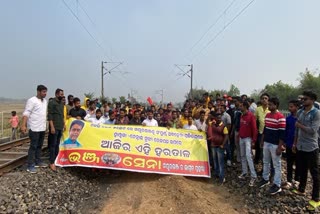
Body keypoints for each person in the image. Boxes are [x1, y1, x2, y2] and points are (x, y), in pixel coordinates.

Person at [293, 91, 320, 211]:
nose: (303, 101)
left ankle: (316, 199)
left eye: (306, 99)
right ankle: (301, 189)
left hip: (311, 147)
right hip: (301, 146)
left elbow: (313, 130)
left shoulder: (316, 113)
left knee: (315, 173)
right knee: (302, 169)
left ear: (312, 100)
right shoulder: (300, 112)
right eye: (303, 99)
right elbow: (296, 131)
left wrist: (300, 126)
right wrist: (295, 143)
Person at [258, 97, 286, 195]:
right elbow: (265, 129)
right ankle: (265, 179)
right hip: (266, 142)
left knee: (276, 164)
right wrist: (262, 140)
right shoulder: (267, 115)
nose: (269, 106)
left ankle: (277, 185)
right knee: (265, 161)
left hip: (275, 144)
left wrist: (279, 147)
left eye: (271, 104)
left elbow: (282, 134)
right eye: (269, 104)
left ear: (276, 105)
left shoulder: (280, 117)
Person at [21, 85, 48, 173]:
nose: (45, 94)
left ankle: (38, 161)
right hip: (34, 127)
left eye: (45, 92)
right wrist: (23, 125)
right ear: (38, 91)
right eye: (43, 92)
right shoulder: (32, 100)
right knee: (33, 147)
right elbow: (26, 113)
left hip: (42, 127)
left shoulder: (45, 101)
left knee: (39, 146)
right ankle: (30, 165)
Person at [238, 100, 258, 187]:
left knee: (248, 156)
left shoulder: (251, 116)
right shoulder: (242, 115)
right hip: (241, 138)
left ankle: (253, 176)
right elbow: (241, 126)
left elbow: (254, 129)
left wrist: (254, 141)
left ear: (245, 107)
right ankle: (245, 172)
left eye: (241, 106)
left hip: (248, 139)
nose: (240, 107)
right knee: (242, 156)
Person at [207, 112, 228, 184]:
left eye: (220, 117)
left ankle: (222, 178)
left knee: (220, 162)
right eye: (217, 117)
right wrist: (210, 118)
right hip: (213, 145)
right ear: (215, 118)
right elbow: (208, 123)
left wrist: (222, 144)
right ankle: (217, 175)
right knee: (215, 161)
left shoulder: (224, 126)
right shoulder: (212, 124)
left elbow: (226, 136)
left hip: (219, 146)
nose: (219, 118)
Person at [48, 88, 65, 171]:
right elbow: (50, 116)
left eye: (62, 94)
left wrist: (64, 124)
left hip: (60, 127)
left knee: (57, 144)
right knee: (52, 145)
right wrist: (52, 127)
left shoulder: (61, 103)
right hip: (54, 127)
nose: (62, 96)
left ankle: (56, 160)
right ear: (57, 94)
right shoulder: (52, 103)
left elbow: (62, 115)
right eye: (61, 94)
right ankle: (51, 162)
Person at [284, 100, 300, 189]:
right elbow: (286, 131)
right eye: (289, 107)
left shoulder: (300, 119)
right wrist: (285, 142)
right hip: (289, 144)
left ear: (297, 107)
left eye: (291, 107)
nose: (290, 108)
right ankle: (289, 180)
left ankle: (297, 180)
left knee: (298, 163)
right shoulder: (288, 119)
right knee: (289, 163)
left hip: (298, 145)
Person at [254, 93, 270, 165]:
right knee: (259, 148)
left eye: (266, 98)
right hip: (260, 132)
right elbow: (255, 121)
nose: (264, 100)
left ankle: (264, 166)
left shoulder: (270, 109)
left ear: (268, 100)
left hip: (268, 133)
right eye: (263, 98)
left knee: (265, 150)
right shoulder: (258, 109)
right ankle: (257, 162)